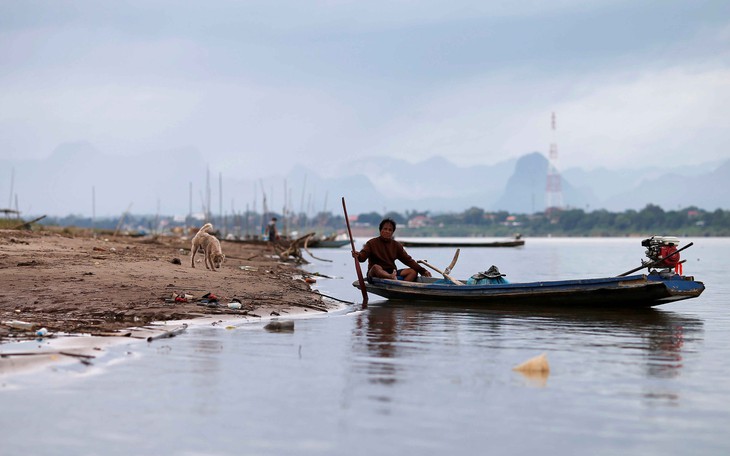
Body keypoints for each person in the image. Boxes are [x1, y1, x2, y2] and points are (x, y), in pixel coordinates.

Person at [353, 218, 431, 282]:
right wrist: (358, 255)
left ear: (392, 232)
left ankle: (402, 289)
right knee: (376, 267)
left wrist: (423, 271)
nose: (387, 231)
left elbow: (408, 260)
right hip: (375, 273)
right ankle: (390, 277)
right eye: (385, 229)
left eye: (390, 230)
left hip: (392, 272)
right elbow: (362, 258)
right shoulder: (371, 243)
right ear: (381, 230)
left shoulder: (396, 245)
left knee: (413, 272)